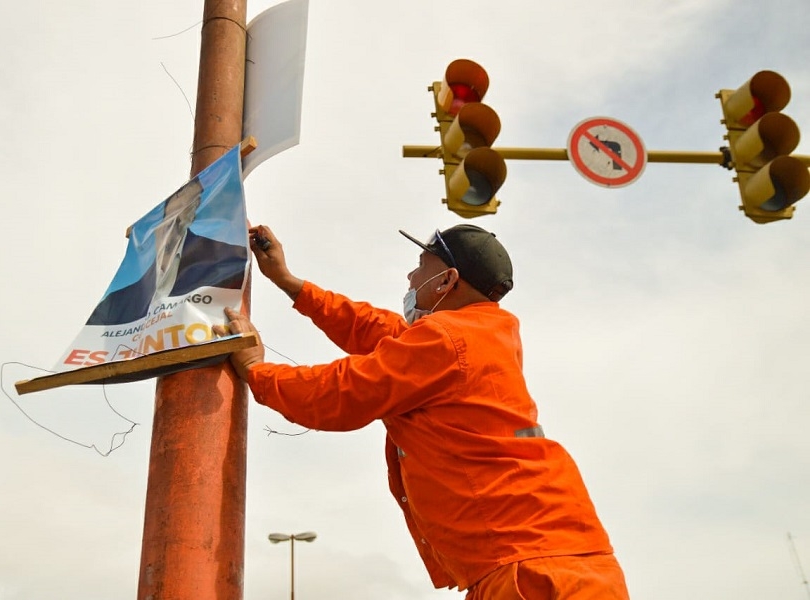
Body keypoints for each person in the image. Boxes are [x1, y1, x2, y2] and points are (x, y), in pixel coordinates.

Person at [216, 223, 629, 599]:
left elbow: (341, 393)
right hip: (553, 563)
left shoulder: (448, 340)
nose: (410, 278)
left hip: (531, 573)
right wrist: (290, 283)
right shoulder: (475, 334)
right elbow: (375, 329)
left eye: (419, 266)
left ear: (447, 280)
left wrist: (256, 369)